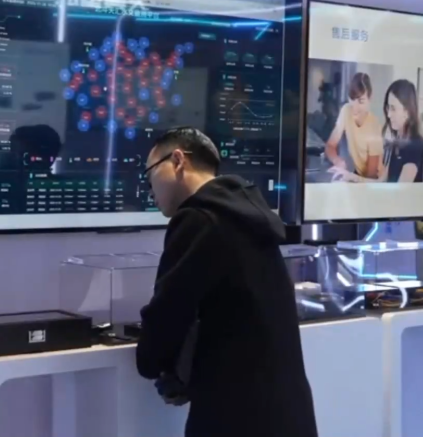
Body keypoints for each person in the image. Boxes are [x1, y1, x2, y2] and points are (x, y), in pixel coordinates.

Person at [136, 127, 318, 437]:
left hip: (235, 415)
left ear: (177, 160)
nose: (149, 187)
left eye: (150, 173)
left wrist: (150, 360)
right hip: (286, 411)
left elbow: (169, 311)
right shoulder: (247, 215)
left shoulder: (198, 219)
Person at [332, 79, 423, 184]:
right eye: (388, 108)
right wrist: (351, 177)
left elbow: (401, 191)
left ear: (407, 111)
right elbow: (382, 181)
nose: (388, 114)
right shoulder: (399, 143)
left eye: (393, 109)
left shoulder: (415, 146)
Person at [325, 72, 383, 179]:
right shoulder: (346, 110)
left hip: (374, 181)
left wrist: (352, 178)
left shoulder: (374, 125)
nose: (354, 108)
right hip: (359, 176)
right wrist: (337, 161)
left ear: (370, 99)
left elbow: (371, 175)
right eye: (352, 99)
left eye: (361, 101)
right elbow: (330, 145)